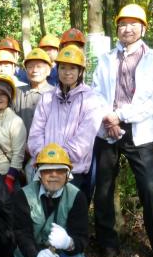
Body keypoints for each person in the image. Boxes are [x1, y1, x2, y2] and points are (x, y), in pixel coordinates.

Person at [91, 4, 153, 257]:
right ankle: (107, 246)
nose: (128, 28)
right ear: (117, 29)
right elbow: (96, 92)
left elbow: (150, 100)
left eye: (133, 24)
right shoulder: (106, 59)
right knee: (103, 189)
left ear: (143, 28)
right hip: (107, 131)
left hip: (139, 132)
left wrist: (120, 116)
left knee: (149, 187)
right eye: (123, 24)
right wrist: (108, 118)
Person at [29, 45, 106, 200]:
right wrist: (44, 157)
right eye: (63, 67)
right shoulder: (47, 97)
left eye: (72, 68)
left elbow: (84, 140)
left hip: (74, 171)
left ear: (80, 71)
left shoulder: (91, 99)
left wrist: (58, 159)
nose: (67, 72)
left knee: (70, 219)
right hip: (44, 168)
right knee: (41, 217)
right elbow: (35, 133)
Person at [13, 48, 55, 134]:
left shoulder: (56, 94)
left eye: (39, 67)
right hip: (19, 145)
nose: (34, 70)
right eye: (30, 67)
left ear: (49, 71)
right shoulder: (16, 93)